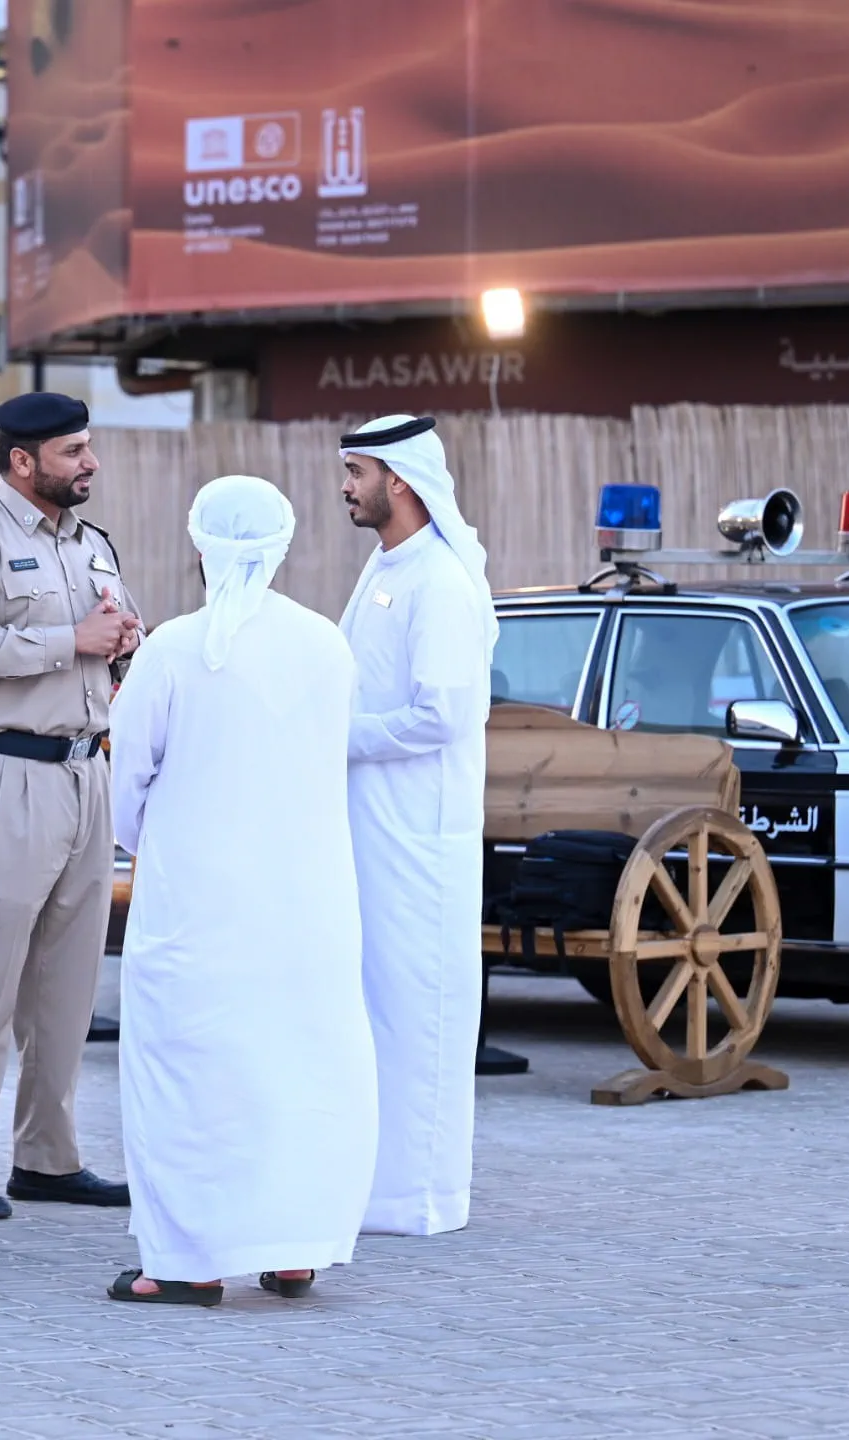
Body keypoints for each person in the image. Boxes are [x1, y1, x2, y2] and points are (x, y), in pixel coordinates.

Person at [105, 476, 376, 1307]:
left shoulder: (174, 649)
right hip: (309, 904)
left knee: (188, 1072)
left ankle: (183, 1265)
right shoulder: (327, 643)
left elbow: (127, 791)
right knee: (296, 1067)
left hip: (197, 905)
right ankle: (293, 1251)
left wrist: (160, 836)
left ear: (201, 548)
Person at [0, 391, 140, 1221]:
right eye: (74, 451)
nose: (90, 464)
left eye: (88, 448)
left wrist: (121, 644)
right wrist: (70, 640)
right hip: (0, 772)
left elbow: (102, 648)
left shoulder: (94, 544)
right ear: (22, 461)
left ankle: (47, 1157)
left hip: (85, 771)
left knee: (68, 981)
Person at [337, 414, 497, 1238]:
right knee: (376, 1010)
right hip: (374, 833)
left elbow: (441, 715)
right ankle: (377, 1190)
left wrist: (339, 736)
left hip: (421, 841)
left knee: (418, 1011)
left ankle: (423, 1199)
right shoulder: (386, 567)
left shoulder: (439, 580)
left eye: (357, 472)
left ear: (397, 479)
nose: (346, 487)